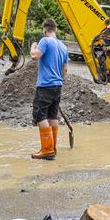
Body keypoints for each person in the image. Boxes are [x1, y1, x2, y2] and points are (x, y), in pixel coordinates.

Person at [30, 18, 68, 160]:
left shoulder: (45, 41)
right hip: (58, 86)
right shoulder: (63, 46)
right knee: (52, 115)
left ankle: (47, 150)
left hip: (45, 85)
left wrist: (33, 46)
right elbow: (65, 70)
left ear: (45, 30)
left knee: (40, 115)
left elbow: (35, 56)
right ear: (55, 29)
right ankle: (53, 147)